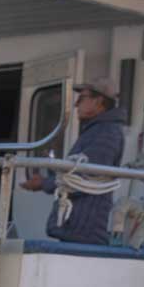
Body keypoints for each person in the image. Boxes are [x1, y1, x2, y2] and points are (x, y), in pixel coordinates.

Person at [23, 78, 126, 245]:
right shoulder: (98, 130)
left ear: (99, 102)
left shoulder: (107, 133)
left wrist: (44, 183)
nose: (76, 104)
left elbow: (86, 177)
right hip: (80, 228)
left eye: (82, 98)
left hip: (85, 231)